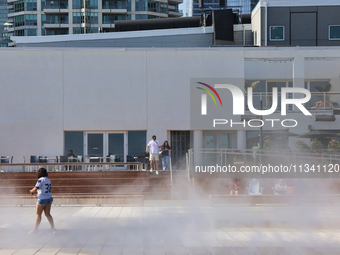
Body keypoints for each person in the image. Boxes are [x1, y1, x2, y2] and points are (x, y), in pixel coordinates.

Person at [29, 168, 56, 234]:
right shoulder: (48, 180)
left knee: (38, 214)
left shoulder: (40, 180)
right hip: (49, 198)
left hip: (42, 199)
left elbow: (36, 188)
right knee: (48, 214)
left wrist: (31, 191)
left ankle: (35, 229)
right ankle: (53, 228)